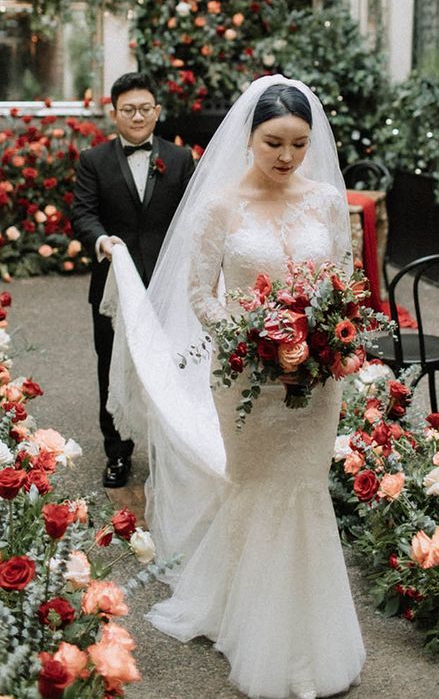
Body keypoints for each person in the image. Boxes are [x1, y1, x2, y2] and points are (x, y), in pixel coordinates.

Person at [102, 75, 365, 698]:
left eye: (299, 144)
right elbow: (201, 295)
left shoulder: (327, 200)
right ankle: (246, 622)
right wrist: (256, 339)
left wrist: (324, 337)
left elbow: (344, 284)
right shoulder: (219, 205)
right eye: (274, 141)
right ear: (249, 137)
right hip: (247, 376)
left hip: (316, 380)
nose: (286, 157)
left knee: (304, 490)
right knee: (255, 487)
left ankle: (311, 636)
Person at [71, 72, 195, 488]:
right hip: (114, 283)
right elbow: (82, 214)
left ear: (157, 112)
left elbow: (191, 215)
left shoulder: (178, 160)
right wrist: (101, 239)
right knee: (112, 367)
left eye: (145, 108)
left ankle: (167, 452)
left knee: (169, 366)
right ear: (114, 114)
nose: (137, 116)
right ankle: (117, 454)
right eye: (128, 109)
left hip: (167, 283)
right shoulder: (94, 160)